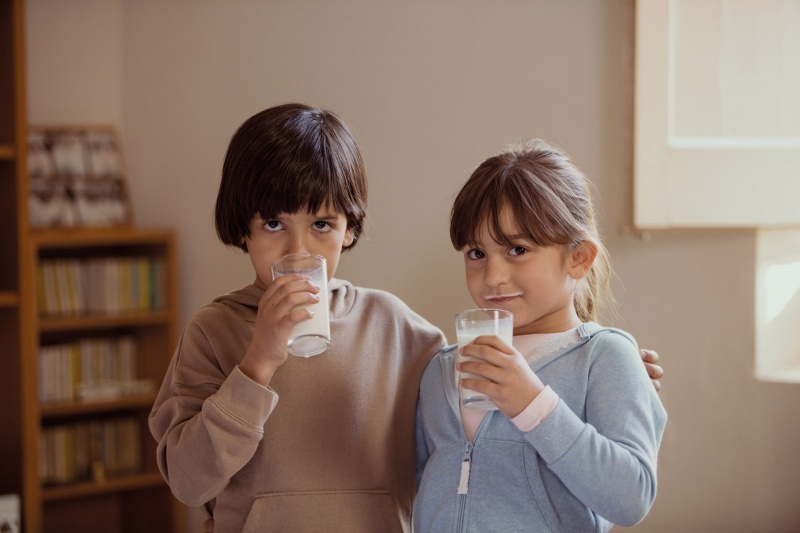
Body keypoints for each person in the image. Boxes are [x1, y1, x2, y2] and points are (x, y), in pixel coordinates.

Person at [149, 104, 664, 533]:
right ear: (242, 227)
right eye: (273, 223)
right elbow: (189, 482)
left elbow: (485, 393)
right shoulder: (213, 333)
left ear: (349, 229)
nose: (299, 248)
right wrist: (258, 361)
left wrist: (613, 372)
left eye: (322, 223)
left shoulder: (394, 328)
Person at [414, 139, 667, 532]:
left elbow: (631, 498)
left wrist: (532, 403)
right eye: (476, 253)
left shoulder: (606, 357)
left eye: (517, 249)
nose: (493, 276)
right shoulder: (441, 369)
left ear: (579, 258)